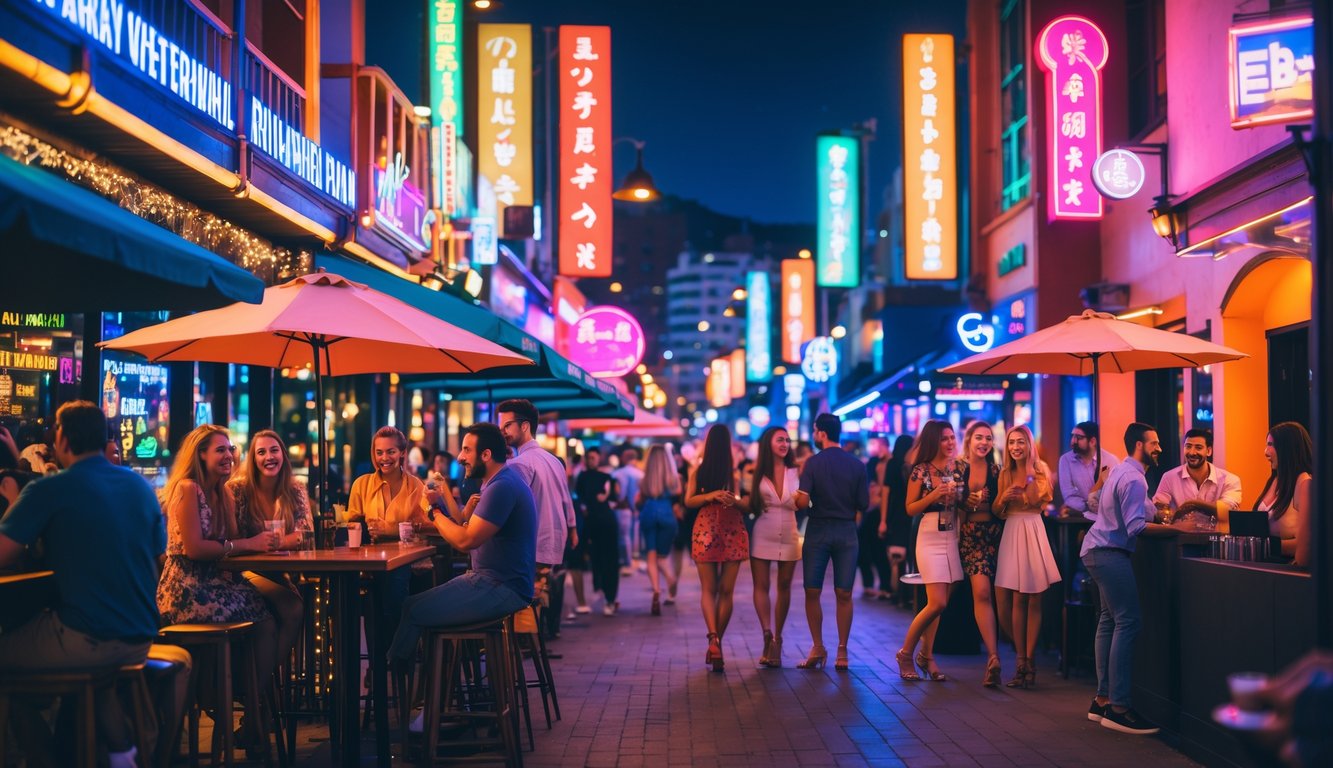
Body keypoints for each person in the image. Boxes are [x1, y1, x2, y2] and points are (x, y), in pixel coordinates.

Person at [0, 402, 187, 768]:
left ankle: (45, 759)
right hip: (139, 636)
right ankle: (121, 755)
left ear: (62, 438)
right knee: (93, 673)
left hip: (89, 639)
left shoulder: (52, 488)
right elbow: (156, 556)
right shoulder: (139, 486)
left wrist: (11, 502)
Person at [157, 424, 279, 748]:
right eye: (220, 450)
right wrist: (247, 544)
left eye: (230, 449)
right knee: (263, 620)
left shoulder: (222, 491)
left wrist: (249, 539)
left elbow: (230, 540)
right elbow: (196, 549)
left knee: (267, 619)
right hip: (187, 585)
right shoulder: (187, 488)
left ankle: (245, 705)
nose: (228, 455)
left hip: (216, 581)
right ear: (200, 454)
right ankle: (236, 708)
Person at [398, 423, 537, 660]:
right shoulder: (496, 482)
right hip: (494, 582)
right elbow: (465, 525)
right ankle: (420, 686)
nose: (460, 457)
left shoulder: (501, 487)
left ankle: (400, 680)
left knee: (413, 609)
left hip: (502, 587)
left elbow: (465, 541)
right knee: (412, 606)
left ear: (486, 454)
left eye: (466, 450)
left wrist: (433, 511)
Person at [1081, 421, 1175, 735]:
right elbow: (1136, 527)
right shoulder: (1134, 478)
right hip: (1109, 552)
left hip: (1096, 549)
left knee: (1109, 619)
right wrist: (1178, 530)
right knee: (1129, 621)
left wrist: (1161, 513)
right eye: (1155, 443)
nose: (1159, 448)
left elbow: (1142, 509)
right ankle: (1119, 708)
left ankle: (1102, 699)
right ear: (1139, 445)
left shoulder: (1123, 471)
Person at [229, 429, 308, 680]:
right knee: (292, 608)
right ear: (252, 459)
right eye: (261, 452)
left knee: (294, 609)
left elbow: (305, 533)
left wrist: (274, 542)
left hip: (278, 573)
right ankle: (259, 692)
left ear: (283, 455)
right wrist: (262, 544)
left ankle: (259, 689)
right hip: (242, 573)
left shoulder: (294, 488)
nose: (268, 457)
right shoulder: (238, 490)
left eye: (274, 450)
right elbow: (230, 537)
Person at [496, 399, 577, 634]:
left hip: (532, 543)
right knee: (535, 594)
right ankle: (532, 642)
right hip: (553, 541)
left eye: (507, 426)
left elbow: (510, 508)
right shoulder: (553, 460)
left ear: (524, 426)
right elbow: (566, 500)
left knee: (523, 596)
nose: (503, 432)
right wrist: (572, 529)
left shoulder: (520, 464)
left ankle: (519, 645)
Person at [796, 413, 869, 672]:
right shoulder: (858, 465)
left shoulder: (812, 463)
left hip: (818, 530)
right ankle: (842, 650)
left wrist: (799, 500)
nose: (814, 435)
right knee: (844, 593)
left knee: (812, 590)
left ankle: (818, 646)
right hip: (847, 531)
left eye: (815, 431)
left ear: (822, 433)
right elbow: (863, 504)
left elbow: (803, 502)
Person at [896, 419, 963, 682]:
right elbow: (910, 508)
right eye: (944, 438)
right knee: (938, 602)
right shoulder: (920, 471)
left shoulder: (957, 469)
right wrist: (934, 494)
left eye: (952, 437)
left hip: (952, 534)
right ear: (933, 441)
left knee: (938, 604)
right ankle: (905, 653)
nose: (950, 443)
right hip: (928, 535)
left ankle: (927, 655)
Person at [994, 424, 1060, 689]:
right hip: (1012, 528)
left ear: (1029, 444)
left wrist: (1028, 479)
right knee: (1016, 598)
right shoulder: (1004, 472)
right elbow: (997, 511)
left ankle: (1030, 660)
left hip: (1033, 527)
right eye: (1012, 443)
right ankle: (1020, 660)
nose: (1015, 447)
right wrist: (1003, 497)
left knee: (1034, 598)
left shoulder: (1040, 469)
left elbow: (1039, 502)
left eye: (1020, 442)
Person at [686, 424, 749, 672]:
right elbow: (744, 503)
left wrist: (708, 496)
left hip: (705, 528)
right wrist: (729, 498)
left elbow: (689, 501)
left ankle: (713, 638)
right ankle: (717, 643)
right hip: (732, 527)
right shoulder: (733, 473)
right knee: (726, 592)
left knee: (708, 590)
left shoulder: (697, 471)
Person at [748, 426, 801, 668]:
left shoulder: (797, 471)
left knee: (784, 586)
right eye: (780, 439)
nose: (785, 444)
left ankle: (778, 639)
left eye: (787, 440)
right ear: (768, 442)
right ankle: (766, 634)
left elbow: (807, 499)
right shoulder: (757, 472)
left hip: (790, 532)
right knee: (761, 585)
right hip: (763, 531)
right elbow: (751, 505)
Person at [957, 421, 1005, 687]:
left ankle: (1016, 658)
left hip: (996, 535)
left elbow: (1000, 509)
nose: (984, 442)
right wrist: (965, 501)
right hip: (970, 536)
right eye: (979, 438)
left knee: (1001, 596)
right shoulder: (957, 468)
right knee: (982, 593)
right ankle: (993, 656)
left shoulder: (996, 470)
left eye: (988, 438)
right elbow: (949, 501)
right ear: (969, 440)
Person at [1152, 428, 1243, 530]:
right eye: (1188, 446)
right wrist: (1166, 514)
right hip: (1180, 541)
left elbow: (1228, 511)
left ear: (1209, 451)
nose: (1192, 452)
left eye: (1198, 448)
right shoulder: (1169, 477)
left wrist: (1192, 504)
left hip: (1216, 542)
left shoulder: (1229, 479)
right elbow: (1158, 508)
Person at [1255, 421, 1312, 566]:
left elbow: (1307, 543)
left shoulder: (1304, 482)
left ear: (1288, 448)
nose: (1265, 452)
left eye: (1271, 445)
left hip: (1285, 568)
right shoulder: (1274, 480)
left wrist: (1265, 547)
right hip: (1263, 565)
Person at [636, 444, 681, 615]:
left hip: (648, 513)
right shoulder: (674, 479)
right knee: (663, 557)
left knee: (651, 555)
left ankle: (656, 589)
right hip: (666, 514)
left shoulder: (643, 480)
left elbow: (639, 501)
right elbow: (678, 494)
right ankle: (671, 578)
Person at [576, 447, 621, 615]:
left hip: (603, 524)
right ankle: (604, 592)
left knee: (607, 560)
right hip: (596, 524)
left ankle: (609, 595)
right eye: (589, 457)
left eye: (593, 457)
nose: (591, 460)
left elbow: (615, 499)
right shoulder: (588, 477)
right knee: (599, 559)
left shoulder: (606, 477)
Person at [856, 437, 893, 601]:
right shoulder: (871, 463)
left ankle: (884, 585)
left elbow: (884, 489)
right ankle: (871, 584)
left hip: (879, 513)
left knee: (879, 551)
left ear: (885, 446)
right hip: (869, 511)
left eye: (875, 444)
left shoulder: (889, 463)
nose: (872, 447)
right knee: (865, 550)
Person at [878, 435, 914, 603]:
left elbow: (885, 492)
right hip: (904, 513)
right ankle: (902, 593)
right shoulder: (900, 465)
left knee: (901, 555)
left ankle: (901, 593)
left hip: (899, 513)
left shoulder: (901, 464)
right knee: (903, 554)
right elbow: (885, 492)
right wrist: (883, 520)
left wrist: (884, 519)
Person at [1058, 421, 1119, 517]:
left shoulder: (1110, 460)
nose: (1073, 441)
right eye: (1072, 436)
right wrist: (1088, 505)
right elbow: (1069, 496)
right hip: (1079, 517)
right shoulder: (1065, 460)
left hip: (1107, 518)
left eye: (1078, 438)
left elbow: (1116, 493)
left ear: (1092, 441)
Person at [612, 447, 644, 575]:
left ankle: (626, 562)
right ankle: (634, 559)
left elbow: (620, 494)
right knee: (635, 536)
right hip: (637, 509)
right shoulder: (640, 473)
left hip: (623, 509)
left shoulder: (620, 473)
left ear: (624, 458)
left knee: (623, 537)